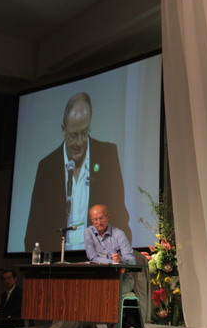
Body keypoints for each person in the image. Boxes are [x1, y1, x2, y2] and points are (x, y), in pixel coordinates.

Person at [24, 92, 130, 252]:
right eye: (73, 135)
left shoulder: (106, 154)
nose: (79, 142)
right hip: (57, 257)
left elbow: (119, 214)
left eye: (84, 133)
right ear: (63, 129)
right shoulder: (47, 166)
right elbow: (35, 227)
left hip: (99, 257)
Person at [49, 204, 137, 328]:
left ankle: (113, 325)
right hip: (100, 277)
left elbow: (132, 260)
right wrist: (111, 261)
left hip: (122, 279)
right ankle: (89, 327)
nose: (98, 222)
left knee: (104, 290)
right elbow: (92, 257)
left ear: (108, 217)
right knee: (84, 289)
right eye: (95, 220)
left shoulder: (119, 234)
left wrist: (121, 259)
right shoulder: (88, 232)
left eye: (101, 218)